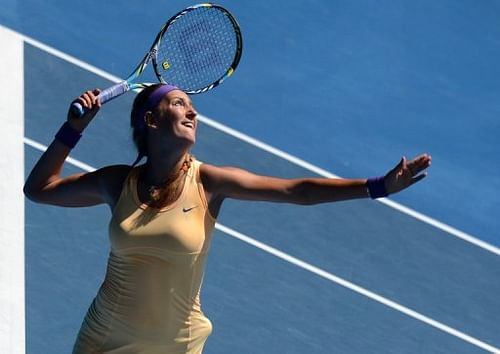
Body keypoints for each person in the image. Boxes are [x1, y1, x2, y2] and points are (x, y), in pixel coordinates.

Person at [24, 83, 431, 354]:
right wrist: (73, 129)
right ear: (151, 120)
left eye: (192, 105)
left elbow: (297, 191)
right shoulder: (117, 183)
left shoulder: (208, 182)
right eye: (179, 102)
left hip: (174, 347)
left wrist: (377, 186)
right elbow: (39, 189)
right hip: (103, 341)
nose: (193, 111)